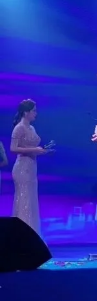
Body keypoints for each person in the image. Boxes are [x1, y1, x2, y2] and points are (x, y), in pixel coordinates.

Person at [10, 99, 50, 235]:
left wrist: (42, 151)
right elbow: (13, 148)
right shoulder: (19, 128)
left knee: (31, 200)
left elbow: (31, 148)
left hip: (32, 167)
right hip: (22, 169)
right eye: (33, 111)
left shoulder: (31, 128)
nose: (35, 114)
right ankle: (22, 234)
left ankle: (31, 234)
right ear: (26, 112)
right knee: (24, 200)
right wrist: (34, 149)